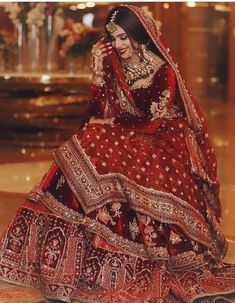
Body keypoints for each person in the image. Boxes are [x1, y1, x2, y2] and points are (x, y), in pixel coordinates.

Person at [0, 4, 235, 303]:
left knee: (103, 143)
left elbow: (151, 122)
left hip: (162, 138)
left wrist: (111, 123)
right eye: (115, 38)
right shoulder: (114, 64)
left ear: (140, 36)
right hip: (127, 131)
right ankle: (53, 256)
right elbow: (94, 114)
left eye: (125, 37)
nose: (120, 45)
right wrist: (97, 72)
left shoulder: (163, 71)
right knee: (86, 141)